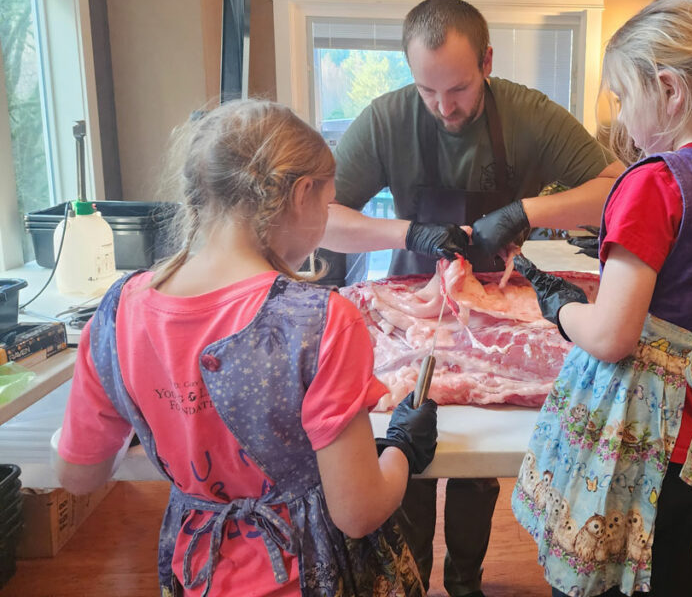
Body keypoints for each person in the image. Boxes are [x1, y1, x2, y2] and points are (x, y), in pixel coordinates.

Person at [55, 100, 438, 597]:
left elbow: (78, 477)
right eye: (327, 205)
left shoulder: (116, 313)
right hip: (312, 574)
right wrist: (404, 449)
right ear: (302, 194)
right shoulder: (320, 321)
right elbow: (358, 512)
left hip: (197, 570)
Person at [319, 0, 625, 597]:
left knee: (478, 460)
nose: (442, 107)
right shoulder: (386, 119)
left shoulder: (529, 114)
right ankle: (410, 583)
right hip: (418, 302)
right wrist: (406, 231)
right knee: (409, 441)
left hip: (499, 304)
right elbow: (317, 218)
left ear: (486, 60)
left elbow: (619, 188)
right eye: (427, 91)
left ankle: (465, 583)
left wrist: (526, 210)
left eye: (456, 89)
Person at [510, 0, 692, 597]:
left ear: (668, 89)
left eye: (623, 98)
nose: (621, 119)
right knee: (667, 570)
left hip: (632, 431)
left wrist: (559, 306)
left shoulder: (653, 184)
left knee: (601, 574)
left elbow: (611, 336)